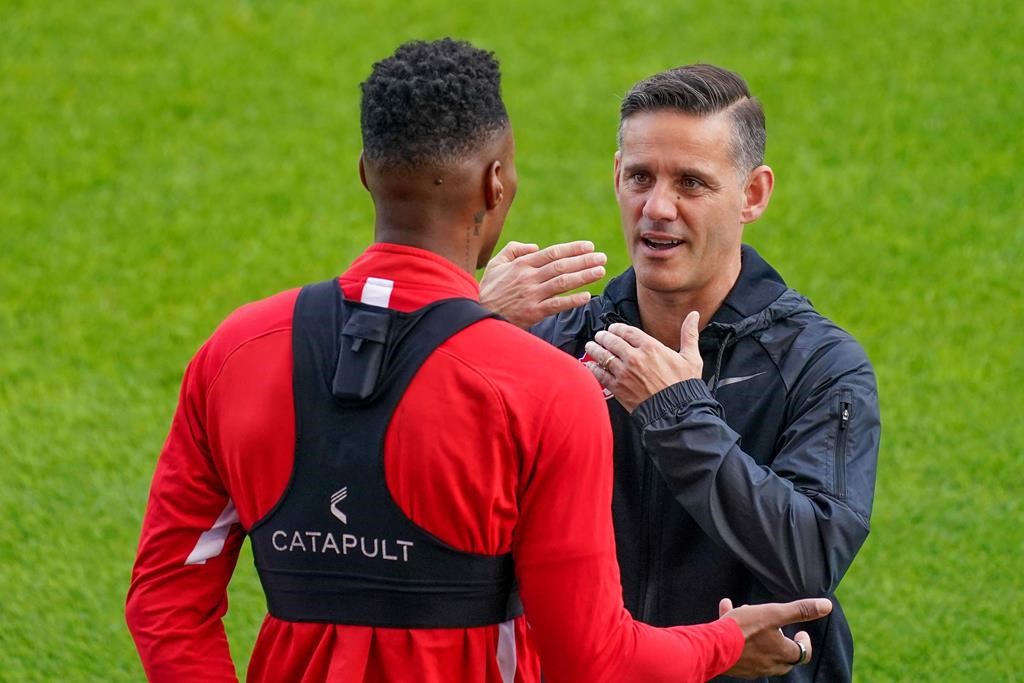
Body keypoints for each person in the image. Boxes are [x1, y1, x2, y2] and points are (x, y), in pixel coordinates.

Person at [125, 41, 833, 683]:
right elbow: (592, 658)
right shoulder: (546, 387)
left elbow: (164, 600)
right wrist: (717, 641)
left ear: (367, 173)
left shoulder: (235, 353)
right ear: (497, 185)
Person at [482, 64, 881, 682]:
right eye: (641, 177)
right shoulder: (548, 343)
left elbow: (811, 554)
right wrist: (469, 331)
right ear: (617, 175)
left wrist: (679, 416)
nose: (657, 208)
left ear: (753, 194)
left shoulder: (819, 366)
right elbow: (417, 495)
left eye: (691, 183)